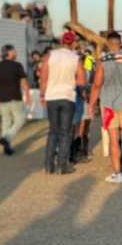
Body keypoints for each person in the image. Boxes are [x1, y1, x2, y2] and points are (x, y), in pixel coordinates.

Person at [90, 30, 122, 183]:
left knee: (113, 139)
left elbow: (97, 84)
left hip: (108, 106)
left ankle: (117, 174)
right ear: (120, 43)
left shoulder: (103, 60)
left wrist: (91, 104)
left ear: (108, 43)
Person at [39, 31, 86, 174]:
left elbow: (43, 77)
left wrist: (42, 95)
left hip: (51, 96)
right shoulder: (75, 58)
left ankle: (48, 165)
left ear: (61, 41)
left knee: (53, 131)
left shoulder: (50, 55)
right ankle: (62, 165)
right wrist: (74, 83)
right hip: (68, 97)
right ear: (72, 43)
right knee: (65, 132)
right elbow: (82, 81)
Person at [0, 43, 31, 156]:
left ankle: (6, 147)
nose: (16, 53)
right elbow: (23, 81)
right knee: (20, 120)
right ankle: (7, 138)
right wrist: (28, 95)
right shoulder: (17, 65)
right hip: (14, 96)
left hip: (2, 97)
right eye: (14, 50)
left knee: (6, 122)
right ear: (9, 53)